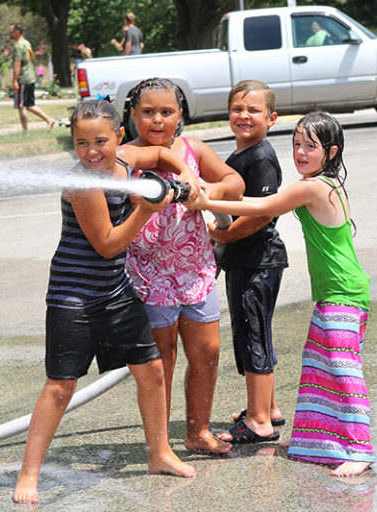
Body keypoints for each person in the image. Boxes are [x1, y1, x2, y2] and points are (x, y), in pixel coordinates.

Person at [12, 99, 198, 504]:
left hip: (114, 291)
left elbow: (164, 151)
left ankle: (160, 453)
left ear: (119, 137)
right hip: (73, 296)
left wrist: (185, 175)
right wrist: (148, 210)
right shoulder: (83, 183)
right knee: (60, 387)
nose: (91, 151)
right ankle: (28, 473)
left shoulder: (127, 162)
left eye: (100, 141)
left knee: (151, 371)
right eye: (81, 143)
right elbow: (109, 245)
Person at [191, 111, 376, 477]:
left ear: (331, 151)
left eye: (311, 146)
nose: (300, 153)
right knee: (317, 369)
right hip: (335, 292)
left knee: (342, 371)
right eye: (296, 145)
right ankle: (314, 441)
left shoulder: (314, 186)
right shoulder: (323, 183)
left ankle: (360, 448)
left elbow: (261, 207)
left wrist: (205, 201)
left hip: (344, 292)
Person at [121, 77, 245, 455]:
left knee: (207, 353)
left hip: (195, 270)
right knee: (162, 361)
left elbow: (234, 182)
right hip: (148, 273)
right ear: (131, 115)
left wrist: (206, 195)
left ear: (180, 115)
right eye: (147, 112)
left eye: (166, 112)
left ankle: (197, 431)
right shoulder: (125, 156)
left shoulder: (192, 149)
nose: (157, 120)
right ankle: (160, 445)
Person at [208, 80, 289, 445]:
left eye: (253, 110)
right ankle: (268, 407)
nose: (244, 116)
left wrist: (222, 236)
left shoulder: (261, 157)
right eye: (237, 109)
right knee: (256, 331)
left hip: (258, 260)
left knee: (253, 334)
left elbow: (261, 216)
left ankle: (258, 422)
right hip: (247, 260)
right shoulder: (239, 156)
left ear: (271, 118)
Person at [9, 22, 56, 132]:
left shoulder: (18, 45)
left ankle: (25, 131)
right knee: (29, 104)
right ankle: (49, 119)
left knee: (22, 106)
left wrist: (15, 80)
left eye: (11, 31)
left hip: (23, 79)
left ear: (17, 32)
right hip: (31, 77)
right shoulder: (27, 43)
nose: (10, 33)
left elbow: (17, 63)